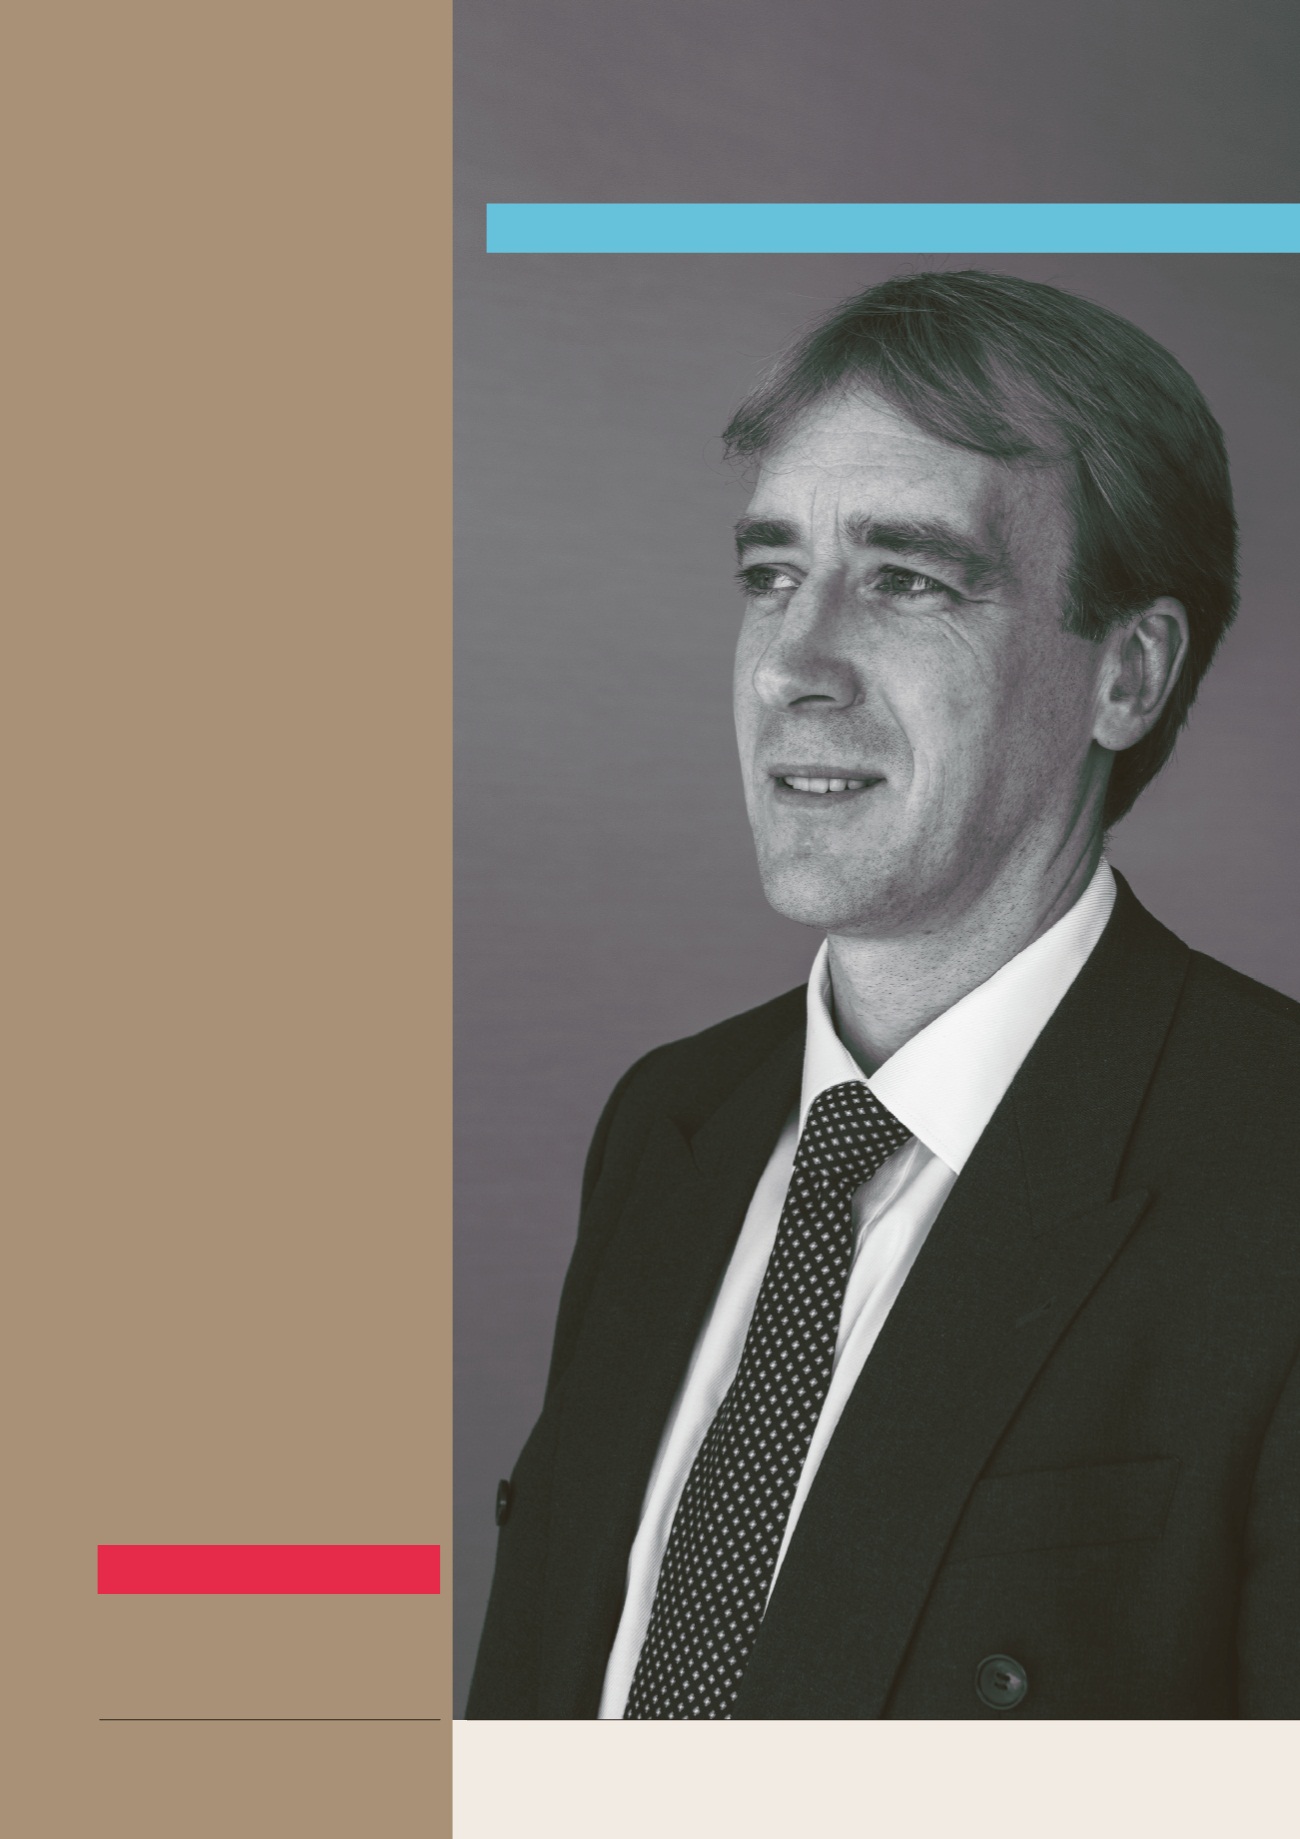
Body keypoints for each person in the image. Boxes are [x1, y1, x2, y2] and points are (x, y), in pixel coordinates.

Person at [466, 269, 1300, 1719]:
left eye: (908, 580)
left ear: (1128, 674)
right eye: (771, 575)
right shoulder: (670, 1124)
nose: (792, 666)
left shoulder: (1272, 1173)